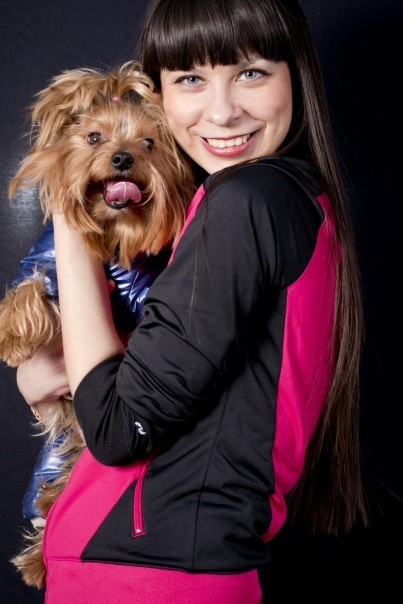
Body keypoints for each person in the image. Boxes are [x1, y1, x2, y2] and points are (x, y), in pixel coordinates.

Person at [16, 0, 369, 601]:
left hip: (150, 575)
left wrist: (71, 217)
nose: (222, 111)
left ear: (296, 76)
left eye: (251, 72)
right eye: (190, 80)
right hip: (147, 565)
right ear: (160, 93)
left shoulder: (248, 200)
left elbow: (116, 429)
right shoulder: (274, 202)